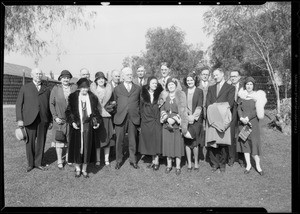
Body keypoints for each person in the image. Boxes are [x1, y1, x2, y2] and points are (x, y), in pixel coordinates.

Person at [16, 68, 52, 172]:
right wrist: (19, 119)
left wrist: (50, 121)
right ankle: (30, 164)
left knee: (41, 142)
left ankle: (38, 163)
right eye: (36, 73)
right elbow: (19, 105)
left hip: (43, 120)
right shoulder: (25, 88)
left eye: (40, 73)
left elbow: (49, 106)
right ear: (32, 75)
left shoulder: (46, 89)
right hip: (29, 119)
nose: (39, 75)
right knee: (29, 142)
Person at [65, 78, 102, 178]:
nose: (85, 90)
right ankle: (77, 169)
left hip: (88, 126)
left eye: (86, 88)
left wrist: (97, 121)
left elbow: (96, 112)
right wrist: (72, 122)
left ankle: (84, 169)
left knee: (86, 147)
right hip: (77, 126)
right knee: (77, 147)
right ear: (79, 88)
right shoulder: (73, 97)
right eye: (83, 88)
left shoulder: (92, 98)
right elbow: (69, 112)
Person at [205, 68, 235, 173]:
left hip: (223, 118)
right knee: (213, 142)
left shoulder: (230, 88)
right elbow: (207, 103)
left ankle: (222, 164)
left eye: (217, 75)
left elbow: (229, 104)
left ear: (222, 74)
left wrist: (216, 108)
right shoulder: (211, 88)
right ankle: (214, 163)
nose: (215, 77)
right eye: (213, 75)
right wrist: (213, 112)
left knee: (223, 143)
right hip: (212, 119)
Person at [236, 77, 267, 176]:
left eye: (251, 84)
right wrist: (241, 118)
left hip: (253, 124)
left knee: (254, 143)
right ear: (245, 85)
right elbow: (239, 109)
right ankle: (248, 165)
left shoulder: (257, 97)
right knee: (245, 144)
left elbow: (256, 111)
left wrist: (247, 118)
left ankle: (258, 166)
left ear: (253, 85)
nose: (249, 86)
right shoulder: (242, 96)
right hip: (243, 124)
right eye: (247, 84)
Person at [113, 67, 141, 170]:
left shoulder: (138, 88)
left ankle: (133, 160)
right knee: (119, 140)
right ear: (123, 76)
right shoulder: (117, 89)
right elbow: (113, 103)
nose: (130, 76)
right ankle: (119, 161)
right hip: (121, 117)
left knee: (133, 139)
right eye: (127, 74)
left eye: (131, 74)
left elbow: (140, 103)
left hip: (133, 117)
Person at [49, 70, 77, 169]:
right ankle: (60, 160)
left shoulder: (74, 88)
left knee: (70, 141)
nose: (66, 79)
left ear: (70, 79)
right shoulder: (56, 88)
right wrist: (55, 117)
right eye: (64, 77)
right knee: (59, 141)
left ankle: (69, 159)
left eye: (68, 77)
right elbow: (51, 104)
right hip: (59, 120)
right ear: (60, 78)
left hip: (71, 120)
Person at [160, 77, 188, 175]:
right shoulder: (164, 95)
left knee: (177, 145)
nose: (171, 86)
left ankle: (178, 166)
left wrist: (175, 118)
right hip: (167, 124)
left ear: (176, 86)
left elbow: (183, 110)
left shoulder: (180, 95)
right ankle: (168, 165)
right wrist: (167, 118)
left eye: (172, 84)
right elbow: (161, 108)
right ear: (167, 86)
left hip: (177, 124)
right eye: (169, 84)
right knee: (168, 144)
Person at [139, 76, 164, 171]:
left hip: (157, 119)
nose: (155, 85)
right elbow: (141, 108)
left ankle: (156, 161)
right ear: (149, 84)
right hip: (146, 120)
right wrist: (142, 118)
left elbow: (163, 105)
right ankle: (153, 160)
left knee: (156, 140)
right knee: (149, 140)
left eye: (156, 83)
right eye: (153, 83)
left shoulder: (160, 94)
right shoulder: (143, 94)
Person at [90, 71, 114, 168]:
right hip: (96, 117)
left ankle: (107, 159)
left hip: (107, 117)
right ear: (96, 81)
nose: (101, 80)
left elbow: (113, 103)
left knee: (107, 138)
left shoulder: (109, 90)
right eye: (99, 79)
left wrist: (111, 107)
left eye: (102, 79)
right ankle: (98, 159)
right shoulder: (92, 91)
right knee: (97, 139)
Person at [182, 72, 204, 172]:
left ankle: (196, 163)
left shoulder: (199, 91)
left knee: (194, 142)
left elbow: (200, 105)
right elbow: (183, 106)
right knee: (187, 141)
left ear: (195, 80)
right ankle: (189, 163)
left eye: (191, 80)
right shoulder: (184, 91)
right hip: (186, 119)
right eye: (188, 80)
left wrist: (193, 117)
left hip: (196, 120)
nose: (189, 81)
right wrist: (187, 117)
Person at [228, 68, 245, 167]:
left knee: (242, 134)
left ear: (239, 77)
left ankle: (241, 158)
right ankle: (231, 157)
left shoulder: (244, 87)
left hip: (241, 112)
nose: (233, 78)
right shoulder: (228, 87)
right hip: (231, 112)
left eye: (235, 76)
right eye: (231, 76)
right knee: (230, 135)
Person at [198, 68, 214, 162]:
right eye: (203, 74)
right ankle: (200, 151)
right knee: (200, 131)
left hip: (209, 110)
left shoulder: (212, 85)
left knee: (209, 130)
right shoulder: (197, 85)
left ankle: (209, 152)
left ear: (209, 76)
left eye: (207, 74)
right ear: (200, 75)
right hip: (199, 110)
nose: (205, 76)